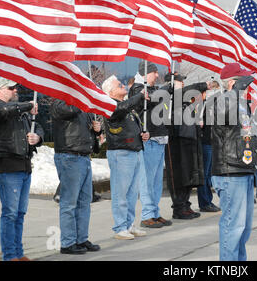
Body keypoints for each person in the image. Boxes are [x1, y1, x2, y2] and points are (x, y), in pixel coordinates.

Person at [0, 78, 43, 261]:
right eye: (11, 88)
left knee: (19, 213)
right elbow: (3, 111)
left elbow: (38, 126)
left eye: (16, 88)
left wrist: (37, 137)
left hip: (24, 165)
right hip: (7, 166)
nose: (15, 90)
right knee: (10, 213)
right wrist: (28, 105)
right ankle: (10, 255)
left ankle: (18, 253)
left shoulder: (19, 111)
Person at [208, 62, 257, 261]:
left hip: (243, 169)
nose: (245, 86)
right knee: (233, 226)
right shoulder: (221, 101)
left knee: (243, 228)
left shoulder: (239, 103)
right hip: (229, 171)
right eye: (241, 81)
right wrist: (235, 91)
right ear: (231, 83)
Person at [50, 99, 102, 255]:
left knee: (84, 202)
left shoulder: (81, 106)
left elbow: (86, 130)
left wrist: (96, 130)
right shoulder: (59, 102)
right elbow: (69, 110)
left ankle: (81, 239)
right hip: (69, 156)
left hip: (84, 157)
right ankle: (67, 242)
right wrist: (82, 99)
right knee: (69, 203)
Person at [102, 75, 149, 240]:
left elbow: (131, 123)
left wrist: (142, 134)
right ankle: (120, 227)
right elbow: (120, 110)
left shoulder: (126, 106)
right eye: (119, 85)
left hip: (133, 150)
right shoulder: (109, 105)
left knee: (131, 193)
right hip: (120, 152)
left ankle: (129, 224)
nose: (123, 86)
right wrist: (140, 95)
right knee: (120, 192)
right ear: (110, 91)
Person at [129, 61, 172, 229]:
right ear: (146, 73)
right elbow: (151, 99)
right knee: (147, 179)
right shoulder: (137, 88)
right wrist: (168, 86)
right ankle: (147, 214)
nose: (156, 75)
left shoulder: (153, 88)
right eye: (154, 72)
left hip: (159, 138)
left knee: (156, 181)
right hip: (149, 140)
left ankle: (154, 212)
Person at [165, 73, 210, 219]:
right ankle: (178, 207)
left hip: (189, 139)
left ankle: (185, 204)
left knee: (188, 175)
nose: (182, 84)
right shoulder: (168, 96)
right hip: (175, 141)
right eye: (179, 81)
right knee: (177, 176)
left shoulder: (183, 98)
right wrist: (204, 85)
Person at [197, 84, 221, 212]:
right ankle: (204, 202)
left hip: (212, 142)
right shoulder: (203, 105)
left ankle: (208, 200)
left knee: (209, 174)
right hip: (205, 142)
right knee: (205, 174)